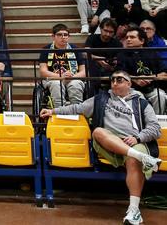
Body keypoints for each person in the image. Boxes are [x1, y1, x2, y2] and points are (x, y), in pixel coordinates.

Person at [40, 69, 162, 225]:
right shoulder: (101, 99)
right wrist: (53, 111)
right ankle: (144, 158)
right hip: (108, 142)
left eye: (120, 79)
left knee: (133, 158)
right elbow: (77, 108)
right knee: (97, 131)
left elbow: (155, 128)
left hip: (134, 142)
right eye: (113, 80)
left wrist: (138, 137)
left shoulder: (141, 102)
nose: (115, 82)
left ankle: (134, 210)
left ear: (129, 83)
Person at [117, 26, 167, 114]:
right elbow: (119, 74)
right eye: (127, 37)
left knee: (160, 95)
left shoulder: (153, 53)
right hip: (131, 89)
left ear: (142, 41)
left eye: (132, 37)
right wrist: (134, 79)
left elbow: (164, 73)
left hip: (152, 88)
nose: (128, 40)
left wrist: (150, 78)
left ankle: (156, 123)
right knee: (138, 96)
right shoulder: (122, 55)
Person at [39, 23, 87, 107]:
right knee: (56, 84)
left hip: (72, 78)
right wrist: (60, 76)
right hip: (53, 79)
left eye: (65, 35)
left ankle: (76, 112)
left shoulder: (76, 49)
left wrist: (72, 77)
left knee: (75, 84)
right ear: (53, 36)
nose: (63, 37)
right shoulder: (46, 50)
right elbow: (43, 71)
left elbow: (84, 71)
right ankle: (60, 112)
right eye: (59, 35)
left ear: (68, 36)